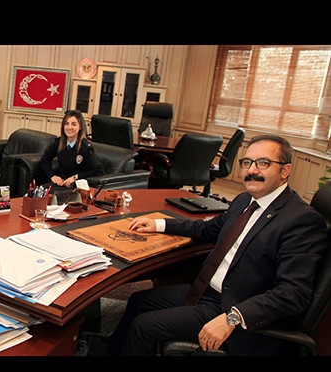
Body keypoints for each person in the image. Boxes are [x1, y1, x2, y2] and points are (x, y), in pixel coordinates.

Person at [106, 134, 328, 356]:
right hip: (205, 291)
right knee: (137, 301)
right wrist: (159, 224)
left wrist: (233, 317)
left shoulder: (301, 220)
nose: (252, 170)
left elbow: (292, 294)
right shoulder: (244, 201)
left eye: (263, 163)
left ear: (284, 170)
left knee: (143, 327)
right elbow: (208, 229)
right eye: (247, 162)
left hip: (234, 307)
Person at [39, 110, 104, 201]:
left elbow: (99, 171)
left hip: (77, 188)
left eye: (74, 124)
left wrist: (75, 177)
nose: (69, 127)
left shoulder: (86, 147)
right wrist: (53, 176)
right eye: (66, 124)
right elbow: (45, 160)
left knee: (50, 197)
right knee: (39, 192)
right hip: (62, 184)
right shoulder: (59, 142)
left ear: (80, 127)